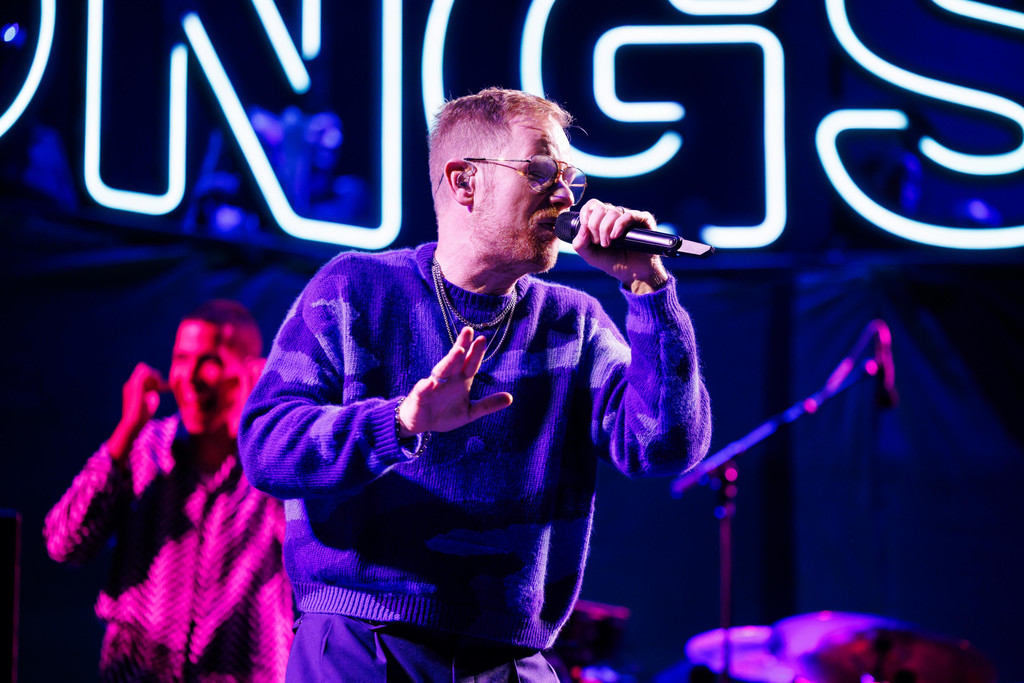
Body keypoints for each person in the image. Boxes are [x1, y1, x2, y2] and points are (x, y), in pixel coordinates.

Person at [239, 87, 713, 681]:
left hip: (510, 656)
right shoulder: (356, 288)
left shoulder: (572, 323)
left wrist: (647, 287)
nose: (565, 195)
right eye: (541, 171)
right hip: (365, 641)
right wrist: (399, 424)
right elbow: (266, 447)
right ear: (464, 182)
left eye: (570, 177)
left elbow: (665, 445)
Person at [44, 300, 294, 682]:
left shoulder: (274, 467)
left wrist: (263, 440)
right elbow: (64, 543)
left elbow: (308, 559)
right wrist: (125, 433)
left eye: (209, 361)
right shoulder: (145, 449)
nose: (189, 377)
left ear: (252, 372)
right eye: (181, 359)